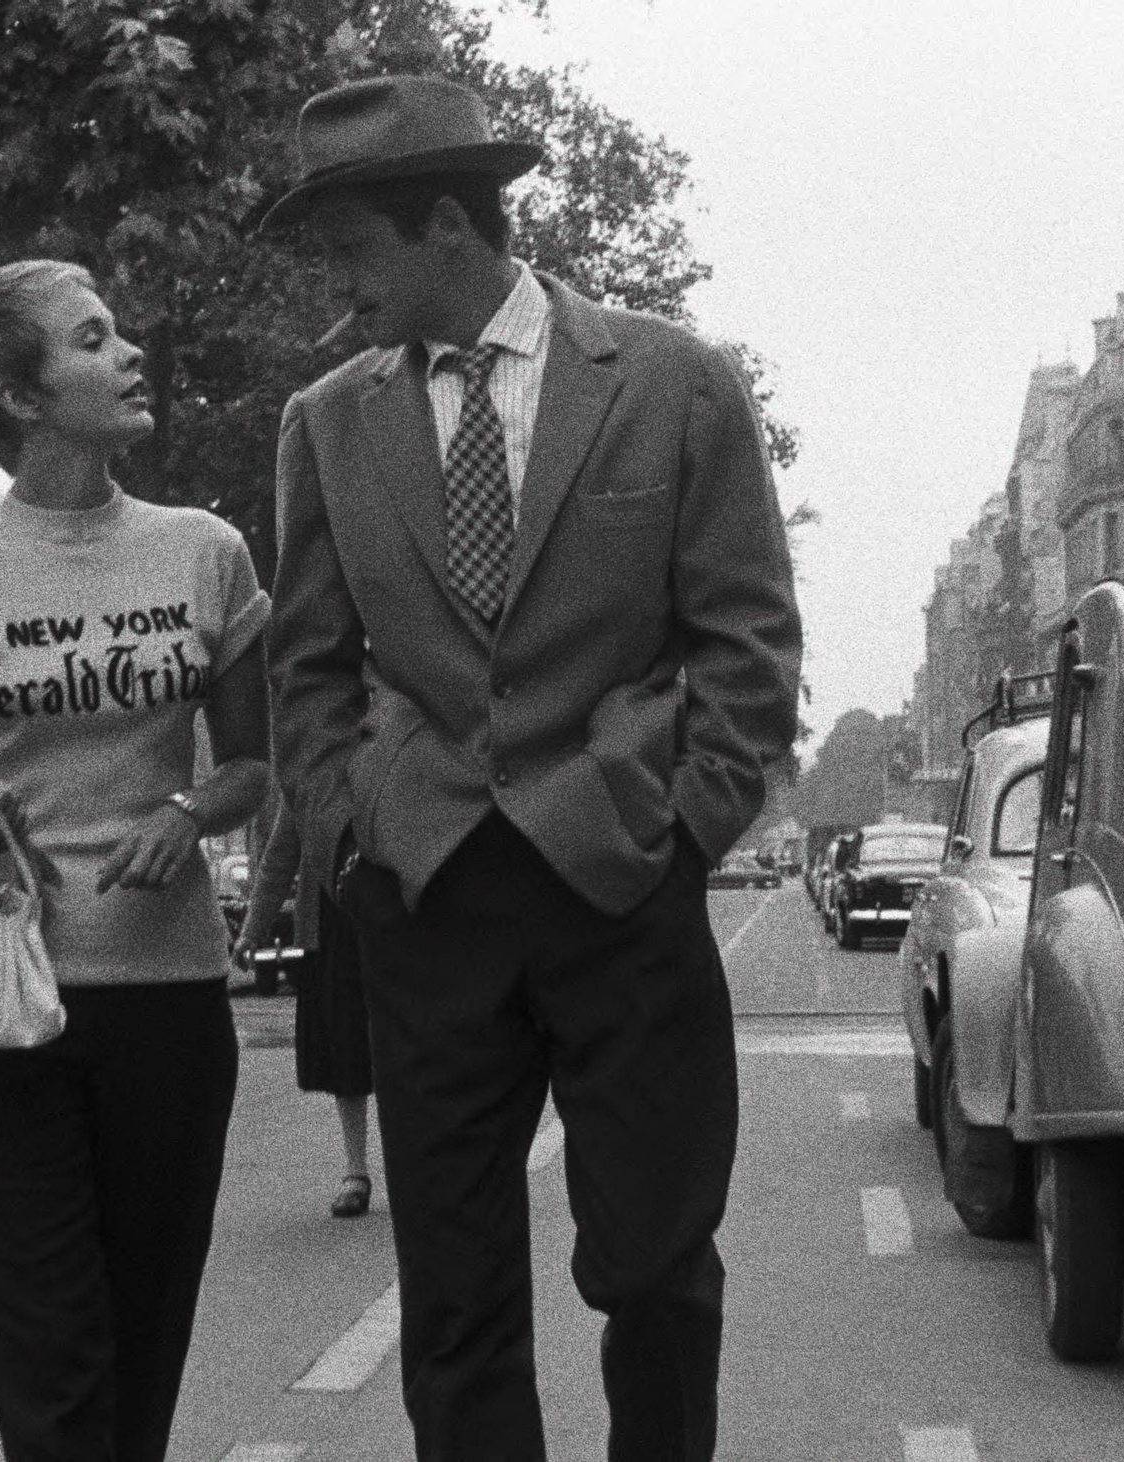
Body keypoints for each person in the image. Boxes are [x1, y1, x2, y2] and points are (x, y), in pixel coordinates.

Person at [263, 76, 803, 1461]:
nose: (338, 290)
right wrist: (347, 828)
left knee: (658, 1269)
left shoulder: (674, 383)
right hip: (429, 895)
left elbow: (747, 641)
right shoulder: (326, 423)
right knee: (452, 1299)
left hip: (622, 879)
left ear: (446, 223)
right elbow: (309, 666)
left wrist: (689, 820)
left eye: (352, 252)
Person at [0, 259, 271, 1461]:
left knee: (141, 1348)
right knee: (50, 1360)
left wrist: (185, 813)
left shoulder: (206, 553)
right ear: (23, 399)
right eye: (93, 340)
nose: (129, 354)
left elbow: (252, 767)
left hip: (168, 1003)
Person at [236, 797, 375, 1218]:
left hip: (397, 917)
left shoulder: (393, 743)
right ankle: (356, 1171)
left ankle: (418, 1165)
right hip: (331, 924)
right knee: (346, 1048)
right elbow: (280, 855)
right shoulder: (307, 770)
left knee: (408, 1046)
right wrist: (252, 930)